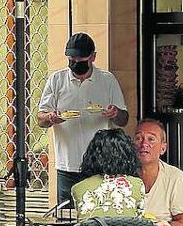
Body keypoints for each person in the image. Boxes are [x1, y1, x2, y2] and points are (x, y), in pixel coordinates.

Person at [38, 33, 129, 206]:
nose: (76, 63)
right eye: (72, 59)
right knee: (67, 219)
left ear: (93, 57)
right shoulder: (57, 80)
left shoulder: (107, 80)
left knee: (100, 215)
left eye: (81, 59)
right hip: (67, 165)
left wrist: (115, 113)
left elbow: (124, 119)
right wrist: (51, 117)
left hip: (100, 165)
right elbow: (40, 119)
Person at [134, 119, 183, 226]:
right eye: (138, 138)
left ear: (163, 148)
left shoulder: (176, 178)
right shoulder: (123, 176)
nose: (144, 144)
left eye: (151, 139)